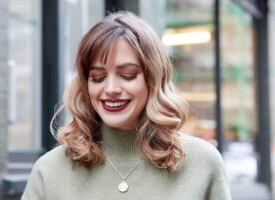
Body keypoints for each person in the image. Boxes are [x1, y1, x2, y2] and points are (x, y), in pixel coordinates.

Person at [22, 11, 231, 200]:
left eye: (127, 75)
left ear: (153, 79)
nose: (111, 88)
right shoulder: (50, 170)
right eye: (97, 77)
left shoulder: (202, 163)